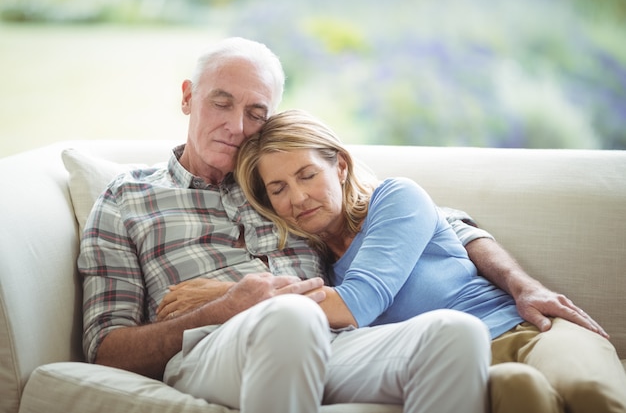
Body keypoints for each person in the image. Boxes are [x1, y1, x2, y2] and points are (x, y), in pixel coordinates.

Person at [79, 37, 491, 413]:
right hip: (210, 352)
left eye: (255, 114)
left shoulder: (282, 182)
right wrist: (224, 307)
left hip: (332, 342)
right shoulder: (127, 198)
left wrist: (521, 282)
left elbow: (422, 215)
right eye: (221, 103)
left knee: (456, 335)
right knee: (292, 318)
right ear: (188, 97)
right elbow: (106, 351)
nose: (237, 127)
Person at [234, 108, 626, 413]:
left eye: (307, 175)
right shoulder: (315, 271)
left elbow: (362, 301)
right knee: (519, 390)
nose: (298, 198)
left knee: (587, 391)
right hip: (466, 363)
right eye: (278, 188)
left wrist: (230, 302)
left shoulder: (394, 199)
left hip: (528, 331)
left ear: (339, 166)